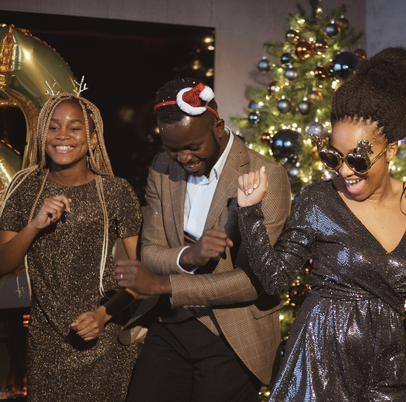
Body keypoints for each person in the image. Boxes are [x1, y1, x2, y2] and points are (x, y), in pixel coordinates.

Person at [236, 47, 406, 401]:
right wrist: (250, 213)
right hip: (318, 366)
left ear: (392, 150)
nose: (345, 170)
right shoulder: (319, 200)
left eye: (357, 159)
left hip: (387, 369)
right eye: (333, 157)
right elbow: (274, 277)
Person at [114, 78, 291, 401]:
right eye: (173, 149)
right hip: (169, 324)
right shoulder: (161, 167)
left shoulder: (267, 175)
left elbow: (256, 281)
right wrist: (189, 256)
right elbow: (151, 252)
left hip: (231, 334)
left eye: (193, 147)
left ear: (219, 127)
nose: (182, 158)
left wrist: (166, 285)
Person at [0, 93, 142, 401]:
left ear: (92, 138)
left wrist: (103, 315)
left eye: (74, 128)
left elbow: (141, 277)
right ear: (42, 135)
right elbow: (3, 264)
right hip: (46, 345)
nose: (62, 135)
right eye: (53, 127)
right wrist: (34, 225)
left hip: (106, 340)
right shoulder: (25, 189)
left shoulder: (116, 192)